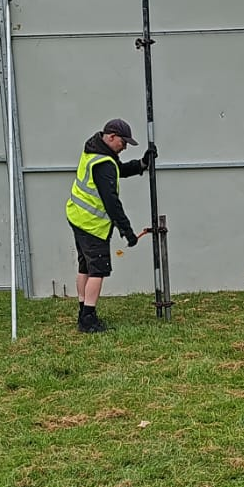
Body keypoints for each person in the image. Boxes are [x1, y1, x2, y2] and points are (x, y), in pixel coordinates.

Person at [66, 118, 156, 333]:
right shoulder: (104, 162)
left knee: (85, 267)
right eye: (123, 143)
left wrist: (142, 164)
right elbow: (111, 202)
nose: (124, 147)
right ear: (112, 136)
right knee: (98, 270)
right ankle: (88, 319)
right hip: (92, 224)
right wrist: (127, 231)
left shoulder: (95, 149)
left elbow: (119, 170)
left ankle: (83, 311)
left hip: (78, 217)